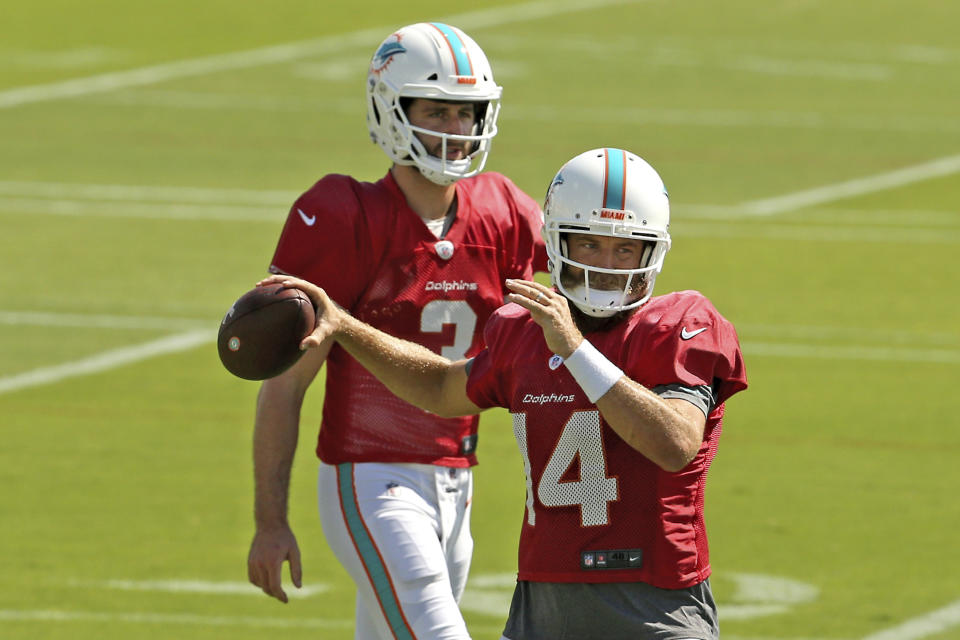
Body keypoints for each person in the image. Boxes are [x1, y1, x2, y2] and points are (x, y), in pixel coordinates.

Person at [260, 147, 749, 640]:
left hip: (654, 607)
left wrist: (576, 351)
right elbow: (440, 384)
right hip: (541, 607)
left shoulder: (681, 324)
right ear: (558, 243)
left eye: (625, 248)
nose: (606, 264)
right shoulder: (525, 332)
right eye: (589, 245)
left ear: (652, 252)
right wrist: (345, 325)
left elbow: (676, 443)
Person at [246, 22, 546, 640]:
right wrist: (270, 519)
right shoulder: (345, 216)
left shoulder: (505, 211)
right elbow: (284, 384)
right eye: (437, 111)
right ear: (392, 109)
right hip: (371, 477)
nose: (456, 131)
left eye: (467, 114)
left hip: (459, 479)